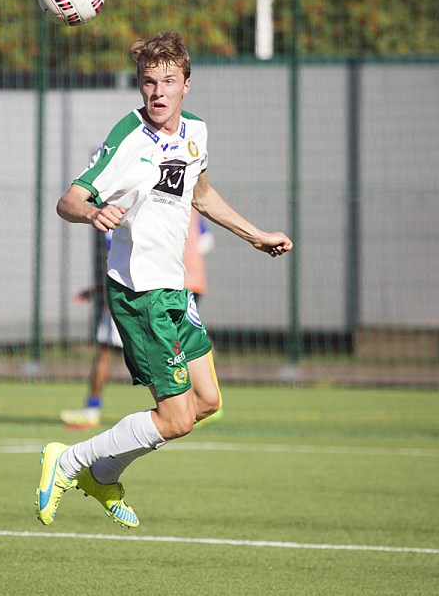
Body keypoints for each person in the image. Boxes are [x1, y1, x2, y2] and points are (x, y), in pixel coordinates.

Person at [36, 32, 292, 529]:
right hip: (140, 293)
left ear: (186, 85)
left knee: (207, 402)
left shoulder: (196, 132)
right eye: (149, 82)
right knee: (175, 418)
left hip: (174, 288)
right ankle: (67, 461)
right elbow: (68, 200)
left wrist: (256, 236)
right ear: (140, 85)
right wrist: (92, 212)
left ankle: (103, 475)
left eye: (169, 81)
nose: (158, 92)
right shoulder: (127, 139)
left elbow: (202, 195)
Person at [60, 209, 213, 430]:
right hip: (187, 283)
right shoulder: (188, 205)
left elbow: (115, 253)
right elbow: (205, 242)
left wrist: (106, 290)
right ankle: (196, 403)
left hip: (138, 289)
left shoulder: (123, 206)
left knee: (106, 350)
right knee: (185, 345)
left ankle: (92, 410)